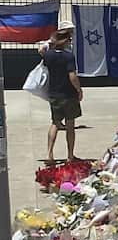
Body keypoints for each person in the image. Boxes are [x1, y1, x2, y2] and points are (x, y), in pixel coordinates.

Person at [40, 21, 82, 164]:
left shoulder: (48, 56)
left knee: (55, 123)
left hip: (54, 94)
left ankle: (49, 154)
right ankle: (70, 156)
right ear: (66, 41)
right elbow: (72, 76)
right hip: (68, 94)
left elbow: (42, 54)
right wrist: (79, 90)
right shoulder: (68, 56)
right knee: (70, 125)